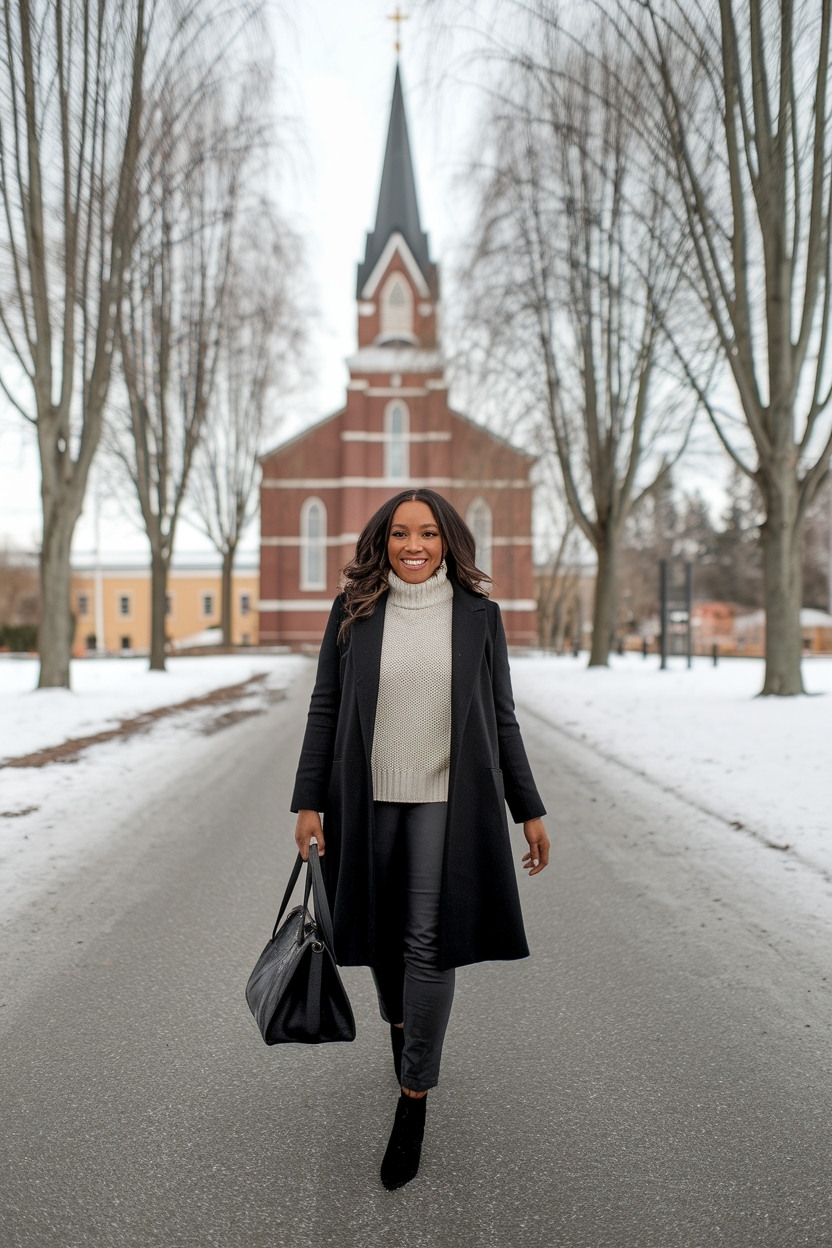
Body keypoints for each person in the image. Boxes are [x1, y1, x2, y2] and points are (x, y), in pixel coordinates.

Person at [291, 488, 549, 1191]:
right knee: (375, 934)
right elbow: (325, 706)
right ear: (382, 541)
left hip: (448, 802)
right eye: (401, 533)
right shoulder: (353, 613)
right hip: (364, 800)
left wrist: (527, 806)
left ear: (447, 543)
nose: (414, 545)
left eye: (428, 534)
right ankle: (406, 1029)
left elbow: (502, 718)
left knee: (427, 942)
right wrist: (307, 799)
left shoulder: (479, 618)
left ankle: (414, 1097)